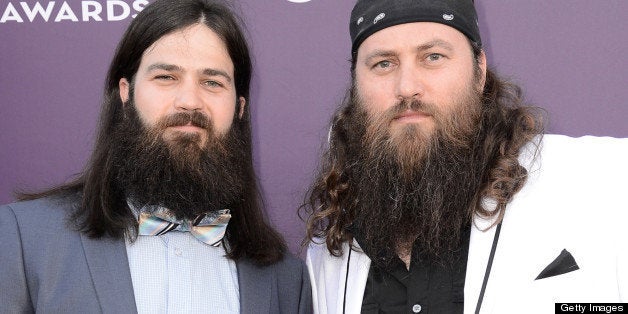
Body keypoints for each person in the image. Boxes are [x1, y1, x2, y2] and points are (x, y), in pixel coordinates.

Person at [302, 0, 628, 313]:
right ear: (356, 86)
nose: (407, 86)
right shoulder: (329, 255)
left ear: (479, 71)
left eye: (433, 56)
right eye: (383, 63)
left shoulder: (604, 181)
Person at [0, 0, 311, 313]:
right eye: (166, 77)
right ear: (126, 91)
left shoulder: (285, 279)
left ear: (239, 108)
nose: (190, 101)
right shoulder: (21, 240)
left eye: (212, 82)